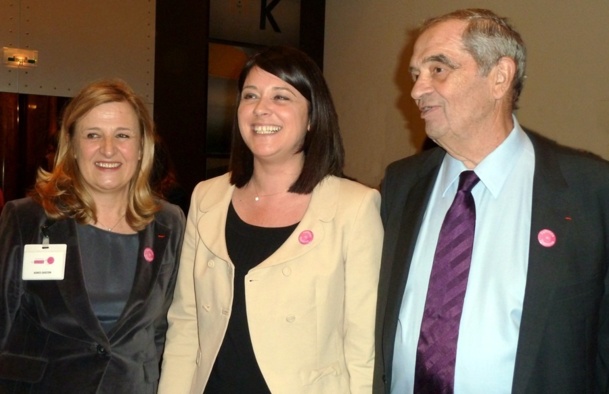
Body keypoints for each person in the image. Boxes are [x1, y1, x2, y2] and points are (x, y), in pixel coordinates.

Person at [374, 8, 609, 394]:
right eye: (415, 74)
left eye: (438, 69)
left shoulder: (590, 191)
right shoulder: (400, 184)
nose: (417, 90)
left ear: (499, 77)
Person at [159, 46, 383, 393]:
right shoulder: (207, 197)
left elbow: (362, 345)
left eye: (282, 96)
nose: (262, 108)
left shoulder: (354, 207)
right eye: (251, 95)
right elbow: (186, 323)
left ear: (312, 117)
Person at [0, 79, 185, 393]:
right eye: (93, 135)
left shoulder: (169, 222)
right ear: (72, 147)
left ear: (141, 148)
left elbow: (163, 331)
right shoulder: (26, 219)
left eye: (122, 135)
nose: (108, 149)